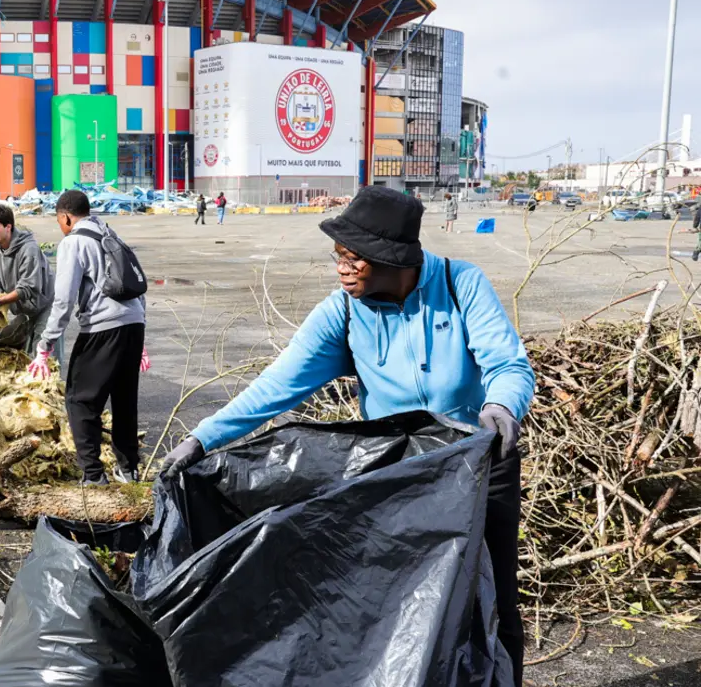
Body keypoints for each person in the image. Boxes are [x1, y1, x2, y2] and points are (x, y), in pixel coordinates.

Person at [160, 186, 533, 684]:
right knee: (403, 604)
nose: (342, 267)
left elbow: (507, 364)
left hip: (479, 465)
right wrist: (202, 438)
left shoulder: (460, 284)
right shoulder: (343, 313)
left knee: (492, 602)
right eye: (338, 256)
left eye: (353, 258)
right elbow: (277, 385)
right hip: (402, 476)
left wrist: (501, 407)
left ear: (392, 258)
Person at [28, 190, 150, 485]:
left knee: (80, 400)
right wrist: (140, 342)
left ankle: (93, 475)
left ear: (66, 216)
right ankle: (128, 470)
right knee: (124, 401)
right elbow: (136, 287)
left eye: (59, 220)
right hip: (134, 326)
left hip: (102, 328)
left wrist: (45, 344)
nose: (60, 225)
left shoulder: (74, 242)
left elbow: (64, 299)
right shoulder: (111, 235)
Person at [0, 204, 56, 357]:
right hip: (23, 310)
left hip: (45, 306)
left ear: (8, 226)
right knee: (26, 357)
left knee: (44, 357)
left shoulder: (29, 249)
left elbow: (29, 287)